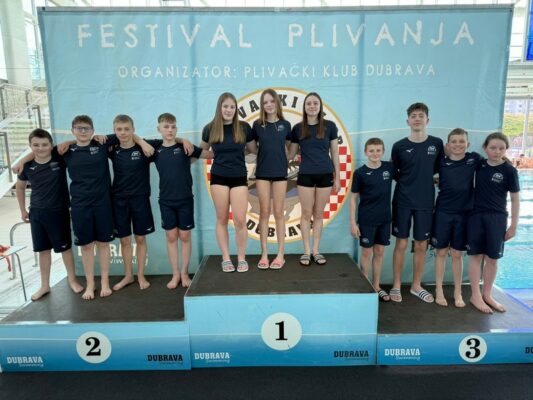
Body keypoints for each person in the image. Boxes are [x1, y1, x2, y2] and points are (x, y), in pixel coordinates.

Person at [15, 129, 83, 301]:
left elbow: (75, 141)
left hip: (59, 211)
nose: (40, 148)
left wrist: (66, 142)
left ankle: (72, 280)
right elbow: (20, 187)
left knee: (65, 249)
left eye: (44, 144)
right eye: (36, 145)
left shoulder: (58, 158)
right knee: (43, 250)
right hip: (37, 213)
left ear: (51, 145)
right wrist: (22, 210)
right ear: (30, 146)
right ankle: (44, 285)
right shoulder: (27, 166)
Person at [390, 103, 444, 303]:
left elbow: (439, 169)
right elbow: (394, 172)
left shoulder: (437, 144)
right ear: (408, 121)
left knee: (421, 244)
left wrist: (428, 179)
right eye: (413, 116)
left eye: (421, 115)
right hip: (403, 200)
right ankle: (396, 285)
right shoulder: (399, 146)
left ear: (427, 120)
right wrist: (410, 182)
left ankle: (416, 285)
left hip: (425, 201)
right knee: (401, 243)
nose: (417, 119)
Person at [153, 113, 212, 287]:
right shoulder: (155, 149)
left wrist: (230, 148)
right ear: (159, 129)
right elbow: (134, 140)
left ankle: (185, 273)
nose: (170, 130)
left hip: (185, 199)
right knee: (171, 236)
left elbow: (209, 154)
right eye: (166, 127)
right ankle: (175, 274)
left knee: (185, 235)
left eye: (173, 127)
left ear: (176, 128)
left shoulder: (186, 148)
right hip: (166, 201)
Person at [200, 93, 255, 273]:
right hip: (219, 177)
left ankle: (241, 258)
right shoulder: (210, 129)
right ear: (220, 108)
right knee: (222, 218)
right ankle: (226, 258)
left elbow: (253, 150)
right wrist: (183, 146)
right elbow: (202, 151)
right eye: (225, 106)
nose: (229, 110)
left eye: (232, 107)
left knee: (240, 220)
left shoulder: (244, 127)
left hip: (239, 177)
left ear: (236, 109)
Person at [467, 132, 520, 314]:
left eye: (501, 148)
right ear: (485, 148)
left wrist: (513, 226)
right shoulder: (479, 164)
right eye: (493, 148)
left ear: (506, 150)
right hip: (476, 217)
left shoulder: (509, 171)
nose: (497, 151)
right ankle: (475, 295)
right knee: (475, 256)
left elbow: (515, 199)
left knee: (492, 258)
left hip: (497, 218)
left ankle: (487, 295)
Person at [288, 92, 340, 266]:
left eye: (315, 103)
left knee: (318, 214)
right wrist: (272, 144)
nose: (312, 106)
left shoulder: (330, 126)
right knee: (306, 214)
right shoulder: (298, 128)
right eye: (308, 103)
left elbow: (335, 153)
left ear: (320, 106)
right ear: (304, 107)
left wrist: (338, 177)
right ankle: (306, 251)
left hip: (325, 174)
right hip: (305, 176)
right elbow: (290, 154)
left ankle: (316, 251)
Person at [432, 128, 481, 307]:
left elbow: (493, 164)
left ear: (468, 144)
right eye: (454, 141)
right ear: (447, 145)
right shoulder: (441, 162)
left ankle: (458, 292)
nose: (458, 144)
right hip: (443, 212)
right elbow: (421, 172)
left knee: (457, 254)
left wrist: (505, 162)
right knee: (441, 252)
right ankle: (438, 289)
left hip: (464, 214)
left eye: (461, 141)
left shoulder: (474, 159)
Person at [251, 89, 291, 270]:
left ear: (277, 103)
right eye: (265, 102)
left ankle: (280, 254)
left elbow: (289, 148)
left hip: (280, 173)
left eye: (271, 101)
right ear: (262, 105)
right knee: (264, 213)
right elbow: (253, 148)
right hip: (262, 174)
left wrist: (283, 159)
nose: (268, 104)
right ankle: (265, 254)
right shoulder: (257, 125)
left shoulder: (286, 125)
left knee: (279, 213)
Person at [349, 138, 394, 301]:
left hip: (385, 219)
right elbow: (353, 198)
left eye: (378, 150)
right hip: (367, 219)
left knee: (380, 252)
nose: (375, 154)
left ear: (383, 151)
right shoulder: (360, 173)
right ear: (366, 152)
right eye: (371, 151)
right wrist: (353, 222)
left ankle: (376, 286)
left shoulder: (389, 168)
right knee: (367, 252)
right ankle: (365, 285)